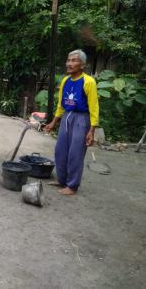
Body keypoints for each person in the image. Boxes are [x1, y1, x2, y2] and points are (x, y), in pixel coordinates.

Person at [45, 49, 99, 195]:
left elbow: (94, 107)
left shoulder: (89, 81)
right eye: (68, 60)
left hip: (82, 119)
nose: (69, 63)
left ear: (82, 65)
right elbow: (61, 105)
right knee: (60, 150)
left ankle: (72, 186)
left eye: (74, 60)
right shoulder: (65, 81)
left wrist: (92, 130)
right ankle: (62, 180)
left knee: (76, 153)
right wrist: (54, 122)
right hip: (67, 117)